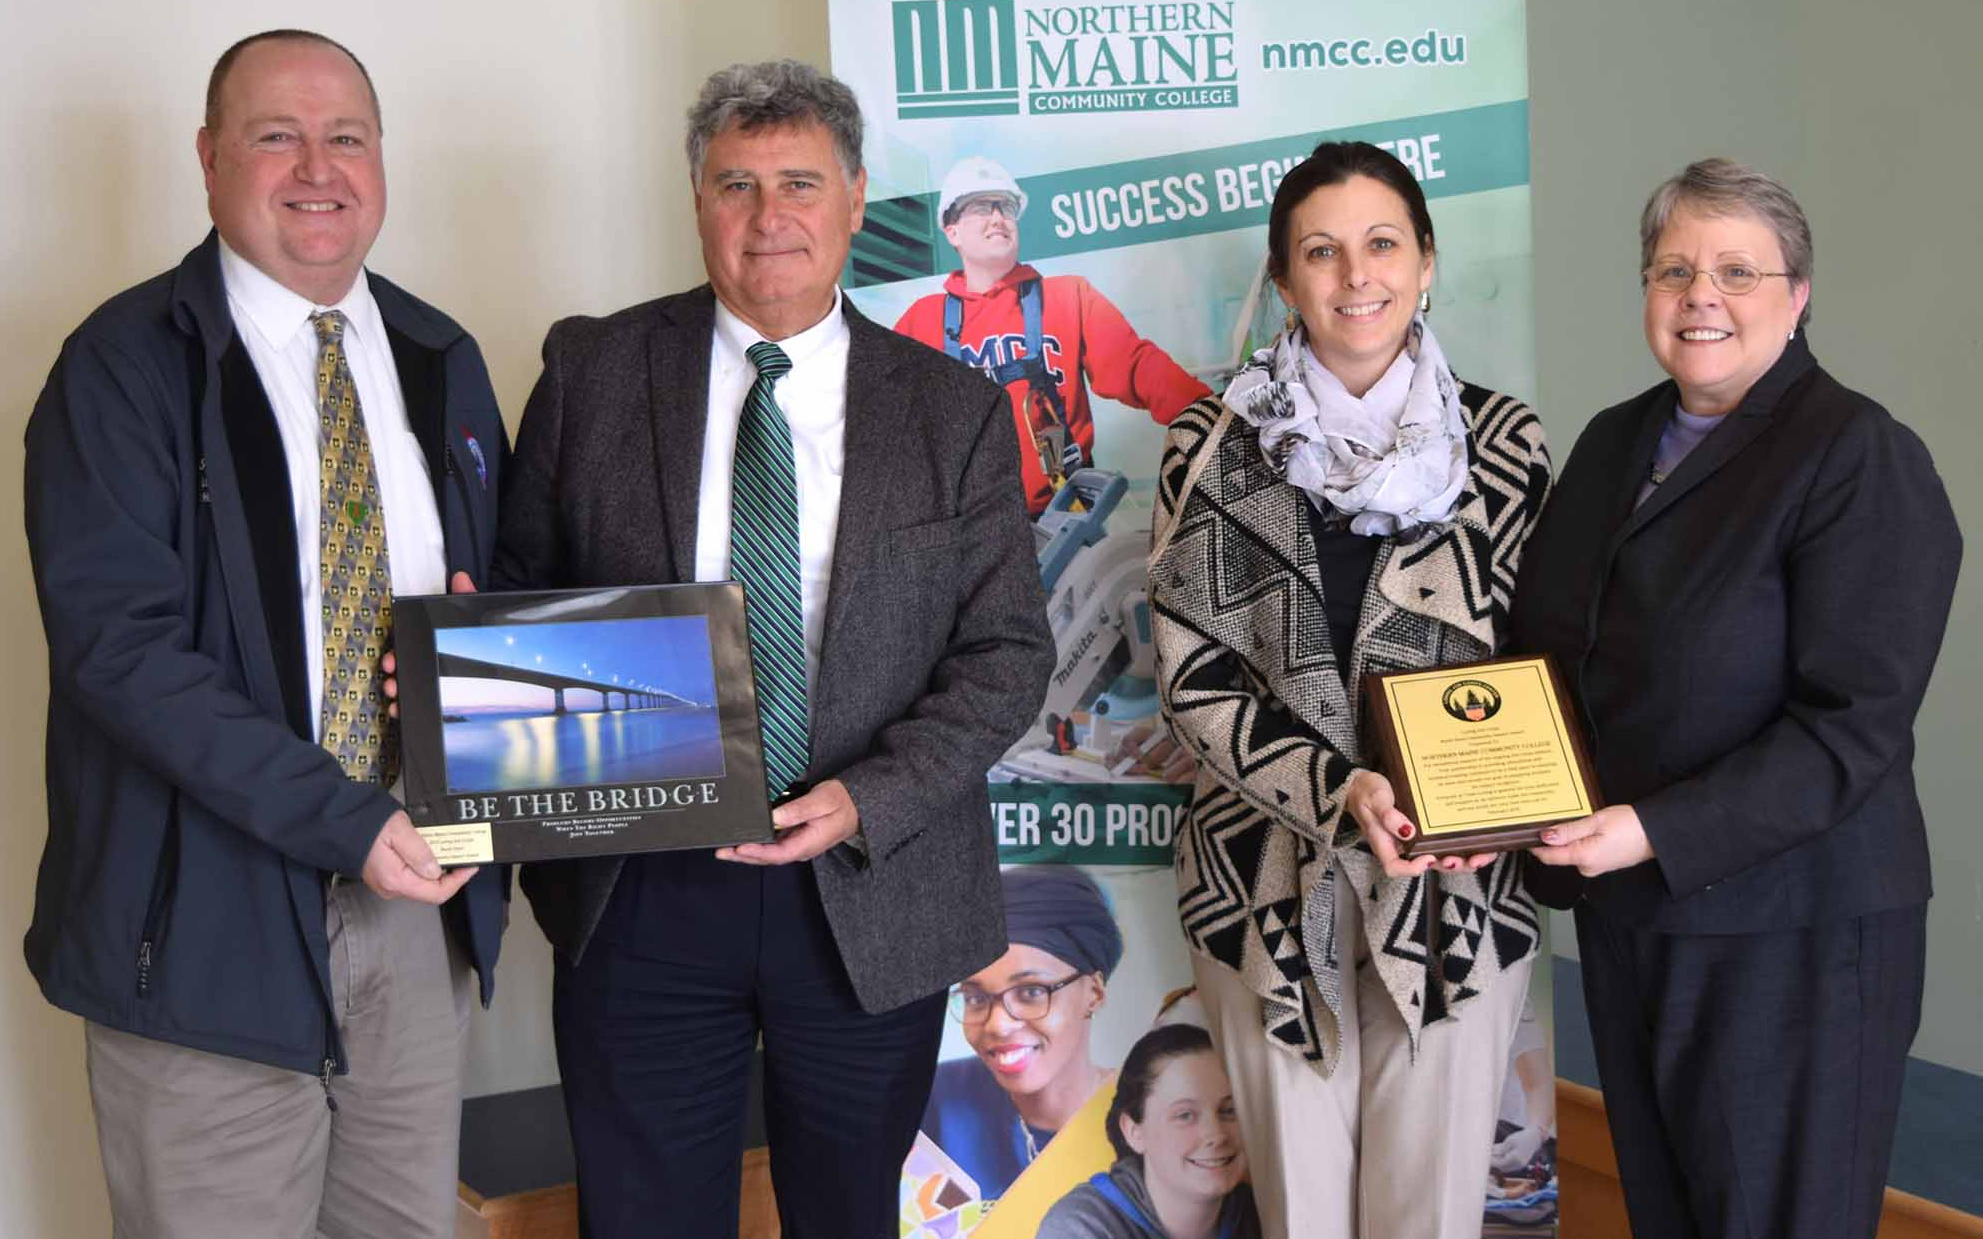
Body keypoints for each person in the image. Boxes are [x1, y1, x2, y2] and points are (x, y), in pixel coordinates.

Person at [493, 60, 1054, 1238]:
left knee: (847, 1216)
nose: (769, 215)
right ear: (697, 201)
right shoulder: (593, 371)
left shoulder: (950, 408)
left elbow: (1006, 653)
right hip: (640, 884)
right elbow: (516, 598)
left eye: (799, 182)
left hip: (871, 882)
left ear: (855, 200)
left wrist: (866, 799)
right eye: (735, 184)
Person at [21, 29, 507, 1239]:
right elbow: (120, 653)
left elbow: (503, 601)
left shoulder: (442, 358)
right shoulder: (122, 368)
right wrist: (345, 818)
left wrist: (485, 660)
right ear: (209, 158)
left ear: (381, 158)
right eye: (276, 136)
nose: (317, 168)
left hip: (415, 915)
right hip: (202, 929)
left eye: (347, 137)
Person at [1512, 158, 1962, 1239]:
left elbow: (1851, 728)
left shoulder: (1858, 455)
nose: (1699, 296)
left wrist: (1650, 830)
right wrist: (1486, 793)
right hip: (1632, 916)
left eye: (1736, 271)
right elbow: (1546, 654)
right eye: (1673, 270)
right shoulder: (1615, 442)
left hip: (1796, 937)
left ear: (1797, 296)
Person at [1148, 140, 1552, 1239]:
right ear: (1285, 279)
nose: (1356, 274)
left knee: (1429, 1218)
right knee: (1306, 1218)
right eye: (1321, 251)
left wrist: (1501, 803)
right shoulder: (1212, 446)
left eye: (1382, 243)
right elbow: (1193, 681)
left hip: (1460, 892)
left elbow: (1546, 659)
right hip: (1264, 889)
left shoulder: (1505, 444)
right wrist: (1338, 793)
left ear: (1426, 259)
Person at [894, 155, 1209, 514]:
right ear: (952, 232)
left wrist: (1213, 416)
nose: (997, 218)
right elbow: (878, 418)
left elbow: (1139, 368)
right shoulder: (921, 321)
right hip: (966, 527)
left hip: (1063, 522)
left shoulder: (1069, 297)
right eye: (981, 207)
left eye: (1005, 207)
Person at [922, 865, 1125, 1198]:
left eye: (1031, 992)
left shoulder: (1158, 1113)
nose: (998, 1025)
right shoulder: (933, 1104)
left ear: (1094, 992)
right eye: (975, 997)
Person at [1037, 1023, 1260, 1239]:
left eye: (1229, 1111)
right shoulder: (1079, 1227)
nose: (1217, 1135)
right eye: (1185, 1115)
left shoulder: (1259, 1211)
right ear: (1134, 1132)